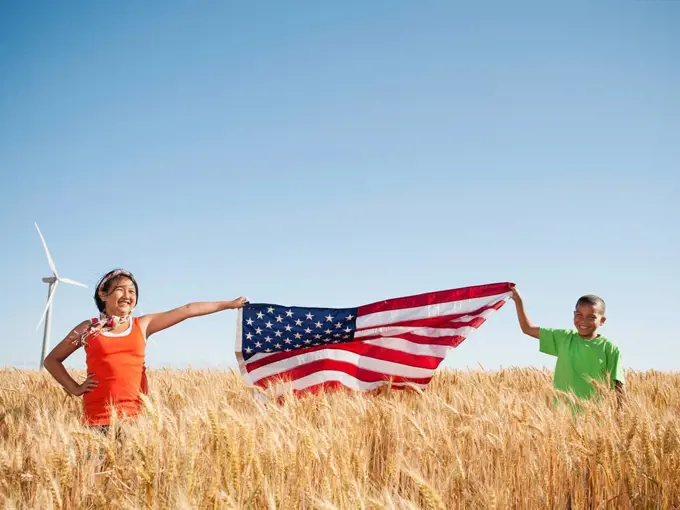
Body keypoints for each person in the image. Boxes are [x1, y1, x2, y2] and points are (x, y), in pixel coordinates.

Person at [44, 268, 247, 431]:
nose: (127, 295)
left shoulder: (142, 325)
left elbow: (187, 309)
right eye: (120, 289)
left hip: (135, 419)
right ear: (103, 294)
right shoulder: (88, 328)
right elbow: (52, 360)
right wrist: (75, 388)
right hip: (96, 418)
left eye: (132, 291)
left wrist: (229, 304)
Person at [509, 285, 624, 408]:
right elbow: (527, 328)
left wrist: (621, 414)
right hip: (561, 416)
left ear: (602, 320)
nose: (583, 321)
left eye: (591, 317)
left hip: (594, 419)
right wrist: (518, 301)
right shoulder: (564, 338)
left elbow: (619, 385)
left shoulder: (610, 349)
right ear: (574, 314)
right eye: (579, 315)